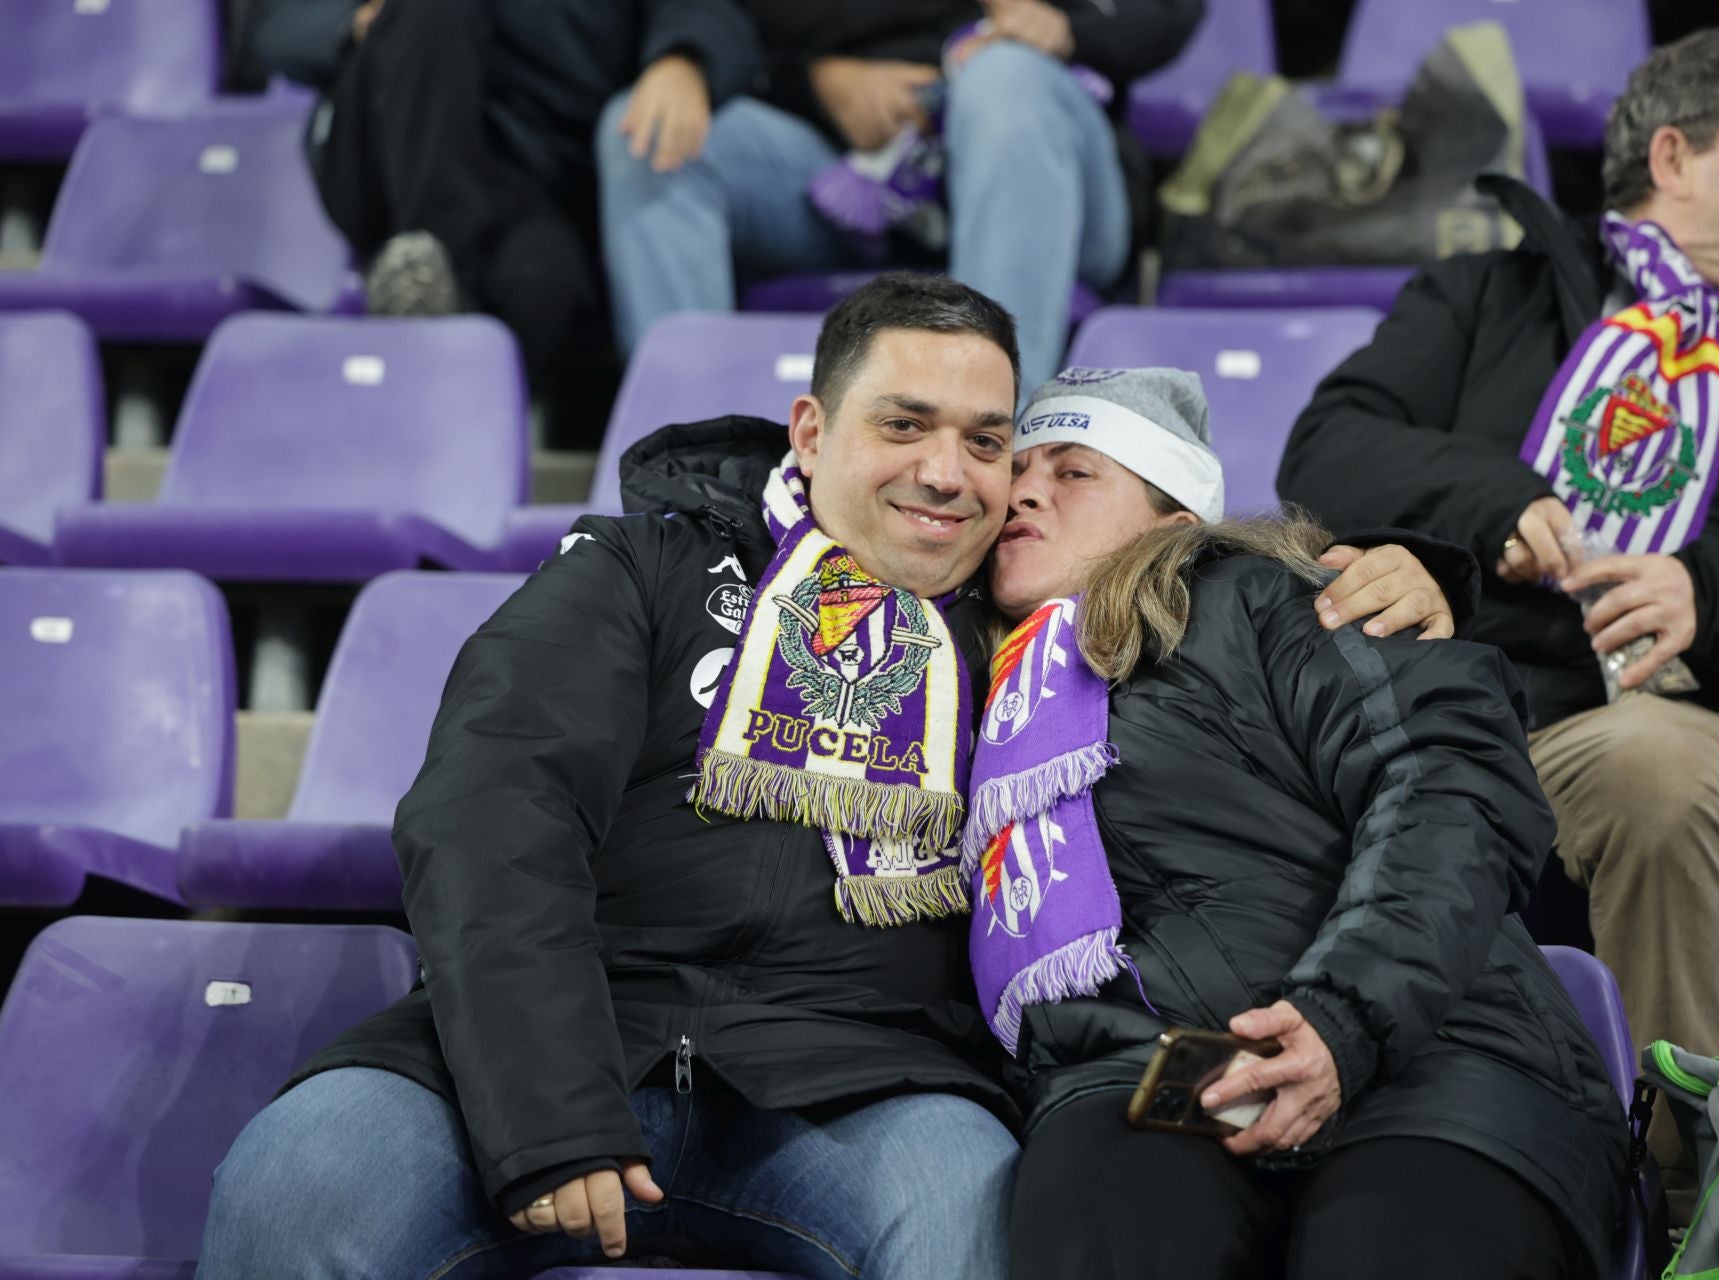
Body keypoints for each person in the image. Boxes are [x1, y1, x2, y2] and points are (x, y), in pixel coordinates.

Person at [195, 275, 1461, 1277]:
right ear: (813, 429)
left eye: (986, 440)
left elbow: (1216, 635)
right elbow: (491, 807)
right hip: (558, 1037)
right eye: (902, 424)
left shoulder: (1045, 648)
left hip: (867, 1085)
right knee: (298, 1185)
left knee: (973, 1233)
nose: (948, 472)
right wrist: (550, 1107)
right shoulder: (645, 570)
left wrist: (1375, 576)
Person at [1276, 30, 1719, 1206]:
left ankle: (1673, 1192)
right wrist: (1495, 501)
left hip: (1657, 711)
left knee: (1653, 770)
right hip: (1444, 691)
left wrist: (1711, 587)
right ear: (1673, 156)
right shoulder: (1494, 290)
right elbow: (1330, 450)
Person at [973, 368, 1626, 1279]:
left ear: (1174, 522)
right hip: (1162, 1080)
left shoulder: (1276, 599)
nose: (1026, 488)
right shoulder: (944, 682)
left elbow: (1451, 783)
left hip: (1432, 1059)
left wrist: (1340, 1019)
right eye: (1019, 468)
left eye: (1075, 471)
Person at [594, 0, 1201, 397]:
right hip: (848, 168)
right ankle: (696, 466)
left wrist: (1073, 27)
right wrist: (817, 78)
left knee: (1003, 79)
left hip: (1049, 173)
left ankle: (989, 438)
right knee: (644, 131)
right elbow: (727, 16)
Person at [246, 0, 758, 381]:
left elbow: (713, 14)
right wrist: (351, 23)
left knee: (542, 285)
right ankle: (432, 259)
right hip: (394, 160)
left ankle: (442, 318)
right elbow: (273, 30)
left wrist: (685, 59)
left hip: (536, 178)